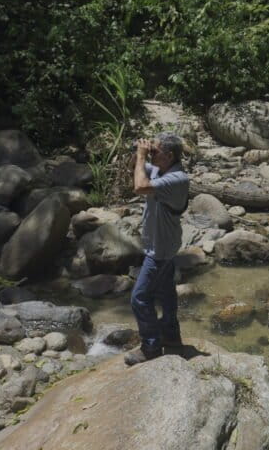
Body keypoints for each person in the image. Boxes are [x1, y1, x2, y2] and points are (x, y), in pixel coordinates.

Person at [124, 132, 190, 366]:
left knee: (140, 298)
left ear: (169, 155)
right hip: (163, 244)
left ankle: (151, 347)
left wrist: (143, 156)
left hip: (160, 249)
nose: (151, 155)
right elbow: (135, 168)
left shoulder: (177, 178)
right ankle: (171, 337)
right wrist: (140, 153)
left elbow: (140, 186)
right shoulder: (161, 169)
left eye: (156, 151)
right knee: (166, 294)